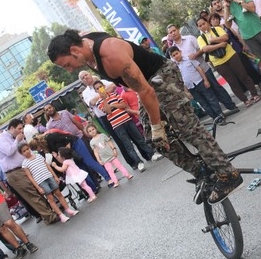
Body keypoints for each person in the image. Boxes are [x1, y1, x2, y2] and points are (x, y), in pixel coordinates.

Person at [47, 29, 243, 204]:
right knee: (155, 141)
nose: (70, 70)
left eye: (67, 65)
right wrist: (156, 130)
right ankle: (203, 173)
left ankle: (228, 174)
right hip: (144, 84)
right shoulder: (81, 41)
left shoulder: (110, 55)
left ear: (74, 50)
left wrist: (158, 126)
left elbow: (147, 92)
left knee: (187, 128)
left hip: (161, 75)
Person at [0, 119, 59, 225]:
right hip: (15, 172)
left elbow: (26, 149)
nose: (21, 130)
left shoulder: (19, 137)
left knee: (40, 189)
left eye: (22, 128)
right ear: (11, 128)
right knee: (32, 195)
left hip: (27, 165)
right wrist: (17, 140)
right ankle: (49, 216)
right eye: (19, 128)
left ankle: (52, 210)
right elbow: (9, 152)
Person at [166, 23, 239, 113]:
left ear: (178, 30)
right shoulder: (172, 49)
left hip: (203, 68)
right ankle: (219, 114)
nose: (173, 33)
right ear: (169, 35)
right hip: (194, 78)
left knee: (216, 88)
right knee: (208, 96)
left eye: (174, 30)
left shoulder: (190, 39)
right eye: (171, 32)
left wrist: (196, 54)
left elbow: (202, 48)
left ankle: (231, 106)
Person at [92, 80, 161, 172]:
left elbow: (124, 105)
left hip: (127, 120)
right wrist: (105, 99)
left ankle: (151, 154)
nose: (100, 89)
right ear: (96, 91)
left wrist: (112, 105)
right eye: (97, 89)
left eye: (100, 87)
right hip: (117, 125)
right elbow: (108, 111)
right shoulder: (99, 102)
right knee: (128, 145)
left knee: (139, 139)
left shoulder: (114, 94)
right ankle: (139, 162)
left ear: (104, 86)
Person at [195, 18, 261, 108]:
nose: (203, 26)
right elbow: (205, 49)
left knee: (243, 75)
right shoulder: (200, 38)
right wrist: (220, 44)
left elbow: (225, 37)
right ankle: (245, 100)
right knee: (232, 82)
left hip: (231, 56)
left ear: (208, 23)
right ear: (198, 28)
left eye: (204, 23)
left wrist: (213, 40)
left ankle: (254, 94)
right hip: (218, 63)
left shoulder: (217, 29)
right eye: (200, 25)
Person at [44, 103, 111, 185]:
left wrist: (84, 132)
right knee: (81, 166)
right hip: (68, 146)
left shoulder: (64, 112)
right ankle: (94, 185)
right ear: (46, 113)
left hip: (79, 137)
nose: (49, 110)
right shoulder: (49, 125)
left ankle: (108, 176)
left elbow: (76, 122)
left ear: (53, 107)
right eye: (46, 110)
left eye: (49, 107)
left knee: (91, 159)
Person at [20, 142, 79, 223]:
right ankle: (61, 215)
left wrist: (54, 176)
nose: (27, 151)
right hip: (40, 181)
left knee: (58, 193)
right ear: (21, 153)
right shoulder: (25, 164)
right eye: (24, 151)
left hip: (49, 177)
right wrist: (38, 187)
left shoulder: (38, 156)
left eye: (27, 149)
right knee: (50, 198)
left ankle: (68, 210)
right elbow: (30, 177)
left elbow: (47, 166)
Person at [168, 45, 224, 121]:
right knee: (203, 103)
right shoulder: (176, 67)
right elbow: (181, 80)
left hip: (200, 82)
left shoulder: (189, 59)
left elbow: (199, 69)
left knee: (211, 98)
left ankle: (220, 114)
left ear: (180, 52)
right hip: (191, 88)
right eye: (173, 55)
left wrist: (205, 80)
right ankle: (215, 118)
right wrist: (187, 91)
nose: (176, 56)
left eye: (176, 53)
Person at [85, 123, 133, 187]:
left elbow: (109, 142)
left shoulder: (102, 135)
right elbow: (95, 151)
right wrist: (98, 159)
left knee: (119, 165)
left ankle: (127, 175)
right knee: (110, 170)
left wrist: (114, 149)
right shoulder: (92, 142)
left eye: (93, 129)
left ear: (96, 129)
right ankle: (115, 181)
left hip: (111, 155)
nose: (92, 131)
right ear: (88, 133)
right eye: (90, 131)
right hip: (104, 159)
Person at [0, 187, 38, 259]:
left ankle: (28, 244)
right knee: (2, 229)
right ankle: (19, 248)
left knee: (9, 223)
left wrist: (1, 192)